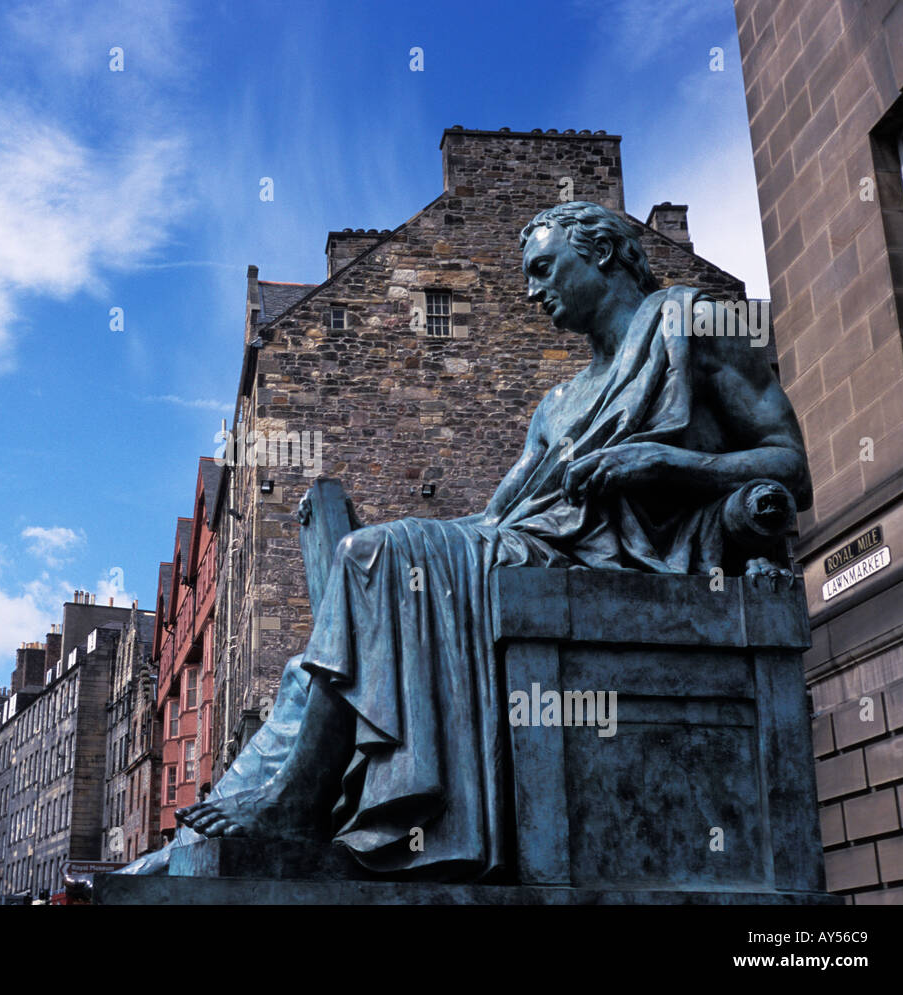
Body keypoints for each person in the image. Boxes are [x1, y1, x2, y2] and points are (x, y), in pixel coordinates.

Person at [122, 201, 811, 879]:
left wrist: (667, 463)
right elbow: (493, 516)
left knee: (372, 556)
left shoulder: (690, 323)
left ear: (601, 253)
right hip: (527, 544)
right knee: (333, 634)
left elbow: (789, 467)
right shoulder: (558, 404)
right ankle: (209, 834)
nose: (533, 292)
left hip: (615, 555)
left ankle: (295, 802)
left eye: (544, 270)